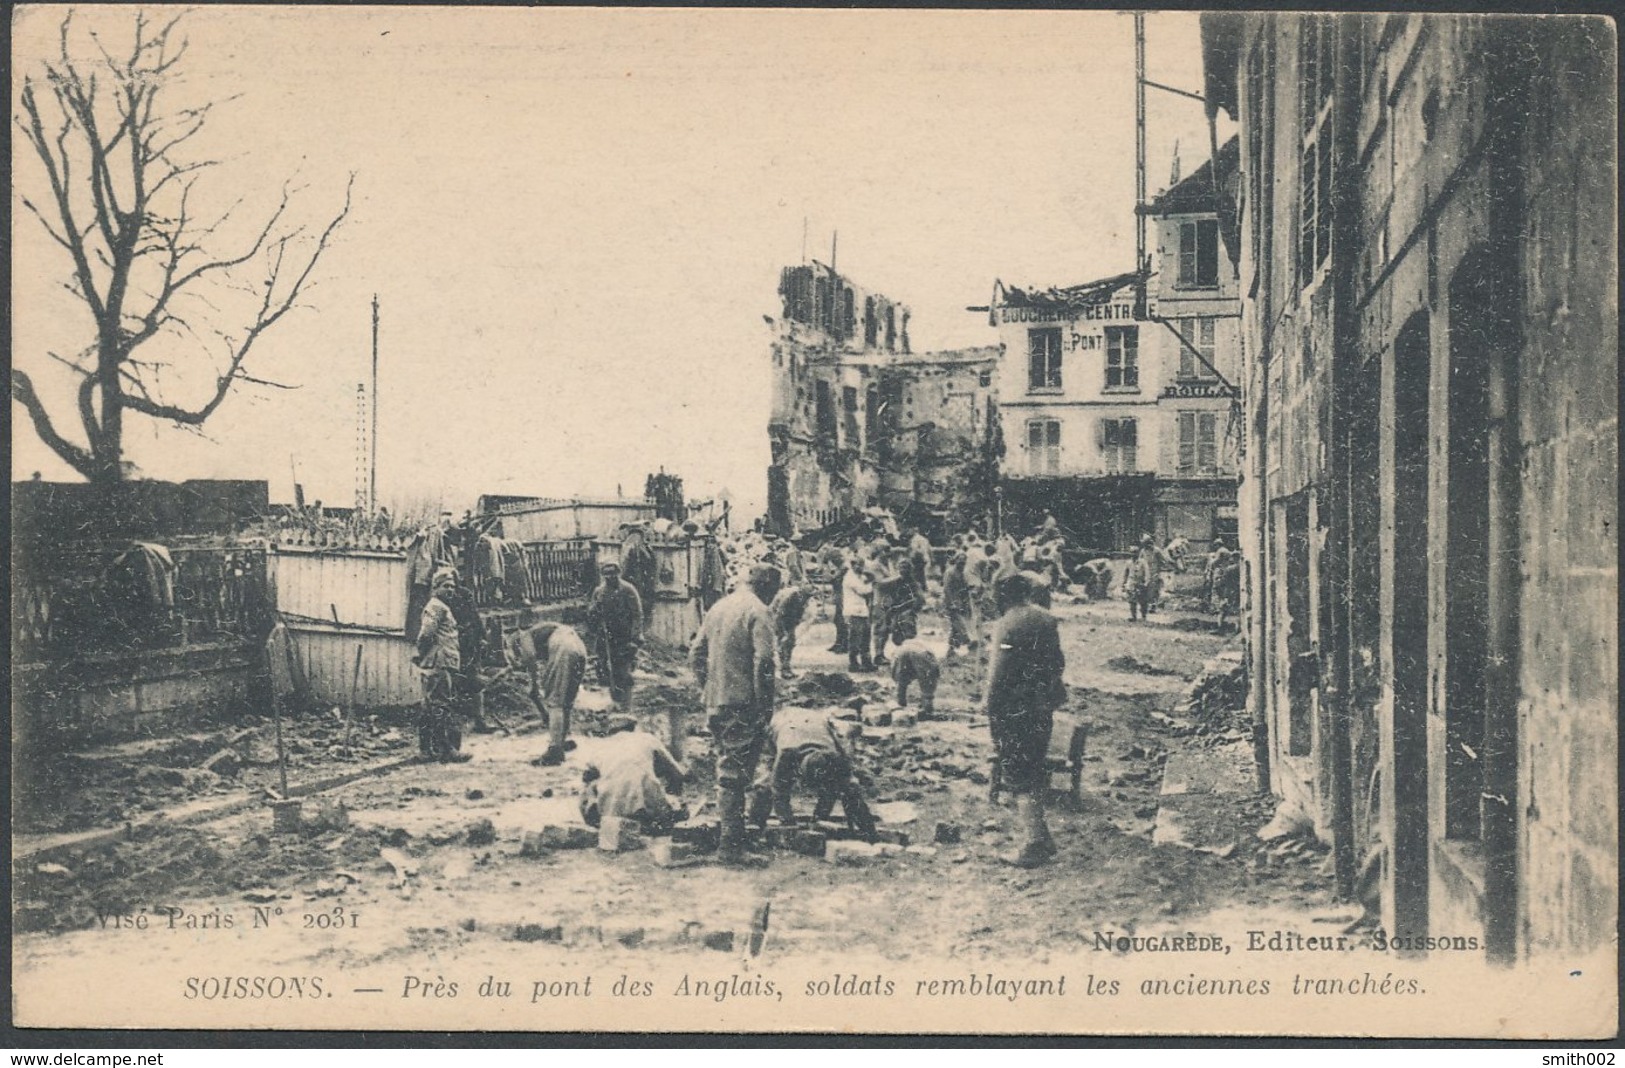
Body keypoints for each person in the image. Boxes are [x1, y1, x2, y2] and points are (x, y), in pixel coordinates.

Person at [690, 563, 782, 864]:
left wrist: (709, 688)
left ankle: (735, 837)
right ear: (767, 585)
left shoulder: (718, 607)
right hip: (743, 705)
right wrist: (764, 705)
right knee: (734, 775)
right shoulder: (758, 611)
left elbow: (696, 654)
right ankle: (730, 848)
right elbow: (765, 662)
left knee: (729, 768)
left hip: (717, 703)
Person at [984, 572, 1066, 867]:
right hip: (1043, 706)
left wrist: (988, 704)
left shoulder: (1006, 625)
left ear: (1002, 595)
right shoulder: (1046, 619)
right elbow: (1059, 663)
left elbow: (998, 671)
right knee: (1034, 767)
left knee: (1018, 775)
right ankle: (1042, 837)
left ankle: (1032, 845)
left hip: (1013, 708)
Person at [747, 706, 876, 840]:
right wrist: (788, 822)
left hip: (817, 722)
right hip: (782, 722)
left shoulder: (836, 757)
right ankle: (754, 827)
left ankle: (869, 832)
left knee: (849, 788)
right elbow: (779, 791)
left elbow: (839, 788)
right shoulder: (787, 753)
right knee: (766, 783)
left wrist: (819, 820)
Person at [578, 715, 687, 836]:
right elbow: (678, 773)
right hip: (646, 810)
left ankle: (605, 819)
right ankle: (657, 817)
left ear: (610, 731)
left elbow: (586, 778)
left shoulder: (600, 746)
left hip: (609, 812)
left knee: (591, 785)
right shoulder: (648, 739)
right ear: (634, 728)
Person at [506, 618, 588, 766]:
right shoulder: (545, 631)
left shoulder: (524, 635)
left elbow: (529, 656)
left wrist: (534, 685)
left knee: (555, 702)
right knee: (566, 703)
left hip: (563, 647)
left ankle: (555, 751)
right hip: (578, 646)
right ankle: (560, 743)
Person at [413, 570, 472, 763]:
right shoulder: (436, 607)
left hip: (443, 661)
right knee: (439, 705)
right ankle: (446, 750)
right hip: (439, 662)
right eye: (445, 586)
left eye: (452, 587)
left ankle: (427, 750)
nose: (450, 590)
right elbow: (426, 634)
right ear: (435, 588)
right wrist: (424, 655)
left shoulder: (440, 606)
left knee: (431, 706)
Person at [587, 560, 643, 712]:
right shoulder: (599, 592)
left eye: (613, 572)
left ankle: (626, 707)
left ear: (618, 572)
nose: (610, 576)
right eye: (606, 573)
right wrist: (596, 609)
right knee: (607, 671)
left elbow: (637, 615)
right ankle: (615, 703)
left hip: (624, 639)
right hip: (606, 639)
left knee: (623, 673)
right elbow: (592, 616)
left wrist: (635, 639)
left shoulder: (628, 590)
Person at [436, 568, 487, 732]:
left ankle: (479, 719)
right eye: (447, 584)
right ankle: (455, 724)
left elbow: (475, 617)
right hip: (451, 645)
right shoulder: (439, 601)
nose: (451, 587)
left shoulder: (465, 595)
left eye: (453, 582)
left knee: (475, 680)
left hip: (468, 644)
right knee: (453, 683)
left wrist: (481, 637)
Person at [889, 620, 940, 717]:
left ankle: (900, 702)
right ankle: (927, 708)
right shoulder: (922, 642)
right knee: (927, 680)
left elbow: (894, 669)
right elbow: (933, 670)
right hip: (921, 653)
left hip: (902, 652)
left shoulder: (900, 647)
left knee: (901, 680)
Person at [1125, 533, 1176, 621]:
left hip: (1154, 572)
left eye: (1148, 543)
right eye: (1145, 544)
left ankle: (1153, 606)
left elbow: (1163, 560)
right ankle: (1144, 609)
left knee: (1154, 590)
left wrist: (1166, 567)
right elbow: (1139, 559)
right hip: (1143, 571)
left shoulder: (1156, 551)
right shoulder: (1143, 551)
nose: (1147, 545)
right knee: (1144, 591)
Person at [770, 582, 813, 680]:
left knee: (790, 643)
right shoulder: (791, 596)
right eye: (807, 595)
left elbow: (799, 613)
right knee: (784, 643)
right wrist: (783, 630)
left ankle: (786, 668)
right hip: (779, 619)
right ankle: (784, 670)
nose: (808, 598)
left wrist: (795, 624)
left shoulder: (802, 599)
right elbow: (779, 613)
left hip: (789, 620)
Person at [841, 555, 875, 672]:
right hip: (852, 611)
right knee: (855, 638)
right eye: (857, 565)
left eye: (861, 565)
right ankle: (853, 664)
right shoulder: (850, 578)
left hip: (862, 610)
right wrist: (870, 583)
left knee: (866, 637)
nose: (860, 567)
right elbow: (864, 591)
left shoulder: (859, 576)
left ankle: (866, 662)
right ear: (852, 565)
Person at [619, 525, 659, 627]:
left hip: (644, 583)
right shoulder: (630, 547)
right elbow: (624, 567)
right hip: (634, 581)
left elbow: (653, 566)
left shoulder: (646, 549)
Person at [942, 550, 974, 658]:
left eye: (964, 562)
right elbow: (947, 589)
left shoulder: (963, 573)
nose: (962, 564)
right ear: (956, 561)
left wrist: (967, 603)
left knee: (955, 628)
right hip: (951, 602)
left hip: (961, 602)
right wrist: (952, 603)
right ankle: (969, 643)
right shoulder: (950, 572)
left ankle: (950, 650)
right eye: (960, 562)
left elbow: (965, 589)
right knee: (959, 625)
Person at [819, 541, 849, 653]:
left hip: (844, 596)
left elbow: (830, 579)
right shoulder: (840, 567)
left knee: (841, 621)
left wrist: (825, 566)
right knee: (837, 620)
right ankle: (838, 642)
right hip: (839, 595)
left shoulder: (844, 568)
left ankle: (844, 644)